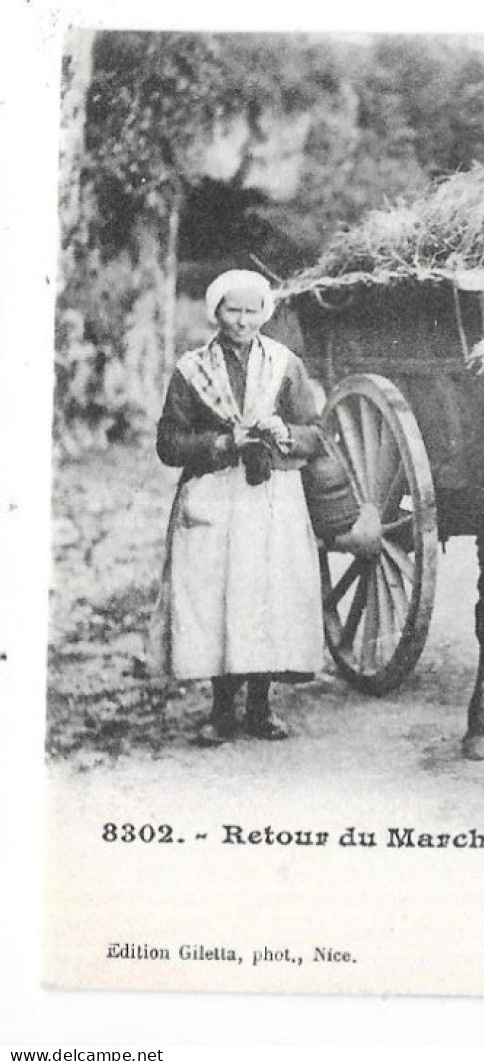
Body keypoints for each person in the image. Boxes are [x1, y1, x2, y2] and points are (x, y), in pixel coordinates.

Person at [150, 270, 326, 744]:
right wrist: (224, 440)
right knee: (215, 599)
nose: (242, 321)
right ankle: (221, 710)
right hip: (215, 495)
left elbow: (315, 430)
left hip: (270, 497)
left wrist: (284, 433)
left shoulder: (285, 365)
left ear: (265, 313)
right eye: (233, 310)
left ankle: (261, 708)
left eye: (252, 311)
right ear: (217, 312)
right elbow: (169, 443)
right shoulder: (192, 370)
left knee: (264, 596)